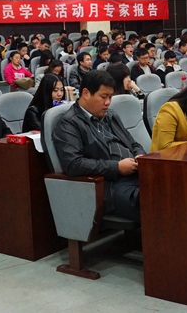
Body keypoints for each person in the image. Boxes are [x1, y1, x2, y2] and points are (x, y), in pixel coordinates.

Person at [53, 70, 144, 221]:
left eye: (110, 97)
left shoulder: (111, 115)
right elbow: (74, 164)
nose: (108, 102)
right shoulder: (69, 124)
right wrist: (116, 167)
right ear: (86, 93)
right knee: (154, 199)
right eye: (103, 97)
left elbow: (133, 143)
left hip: (136, 174)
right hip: (110, 185)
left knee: (171, 186)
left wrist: (140, 155)